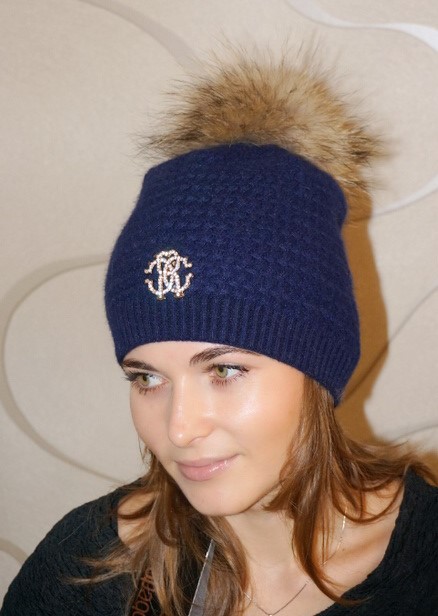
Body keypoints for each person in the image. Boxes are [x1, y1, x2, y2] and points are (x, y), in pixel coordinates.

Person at [1, 50, 437, 616]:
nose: (180, 429)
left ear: (318, 365)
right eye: (147, 378)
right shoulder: (88, 568)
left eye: (224, 369)